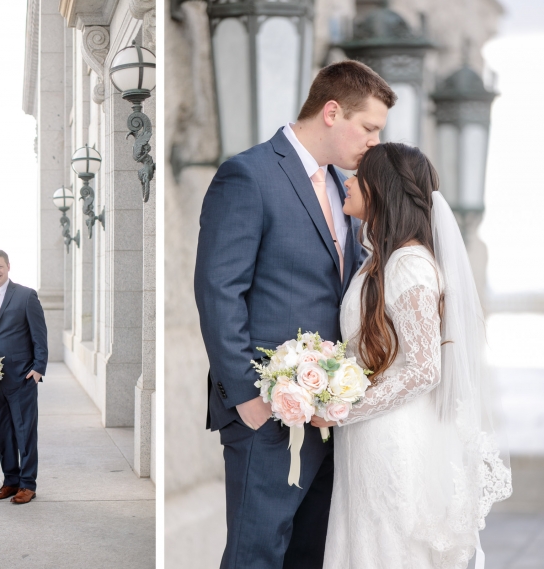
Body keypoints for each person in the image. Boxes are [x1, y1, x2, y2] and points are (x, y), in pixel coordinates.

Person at [194, 60, 396, 568]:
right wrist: (246, 398)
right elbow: (219, 290)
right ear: (333, 112)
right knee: (254, 555)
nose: (374, 142)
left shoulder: (343, 189)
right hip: (265, 412)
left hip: (332, 416)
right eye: (369, 127)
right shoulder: (249, 174)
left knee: (310, 556)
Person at [312, 143, 511, 568]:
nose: (346, 180)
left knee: (388, 548)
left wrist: (342, 409)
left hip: (393, 442)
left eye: (358, 174)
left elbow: (424, 369)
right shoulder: (378, 262)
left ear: (380, 188)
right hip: (368, 441)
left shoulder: (409, 266)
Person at [0, 249, 48, 505]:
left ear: (8, 266)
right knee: (3, 431)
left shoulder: (26, 296)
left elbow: (39, 335)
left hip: (22, 377)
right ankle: (11, 481)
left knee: (25, 432)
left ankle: (28, 484)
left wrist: (38, 369)